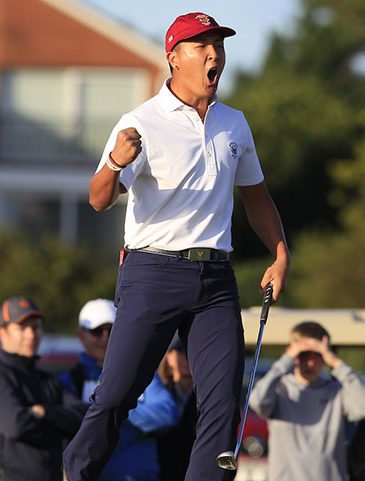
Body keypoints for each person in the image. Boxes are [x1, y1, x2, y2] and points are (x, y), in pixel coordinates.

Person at [63, 11, 290, 481]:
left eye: (219, 46)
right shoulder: (140, 122)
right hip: (153, 273)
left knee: (224, 402)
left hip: (216, 279)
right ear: (174, 58)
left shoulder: (235, 123)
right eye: (201, 46)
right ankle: (74, 473)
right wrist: (112, 162)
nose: (214, 55)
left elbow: (257, 198)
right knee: (118, 394)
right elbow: (99, 198)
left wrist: (280, 253)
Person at [58, 299, 179, 481]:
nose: (105, 338)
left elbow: (167, 413)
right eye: (97, 332)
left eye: (111, 330)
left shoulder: (141, 372)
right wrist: (137, 424)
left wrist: (107, 414)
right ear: (81, 336)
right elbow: (70, 424)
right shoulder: (70, 381)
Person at [0, 296, 87, 481]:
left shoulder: (46, 380)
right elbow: (17, 426)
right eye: (22, 328)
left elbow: (83, 417)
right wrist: (60, 431)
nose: (31, 335)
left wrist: (45, 412)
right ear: (3, 334)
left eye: (35, 327)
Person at [248, 321, 365, 480]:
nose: (310, 363)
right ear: (293, 354)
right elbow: (257, 401)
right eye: (303, 355)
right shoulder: (280, 390)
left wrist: (335, 362)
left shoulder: (336, 392)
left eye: (317, 356)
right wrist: (285, 361)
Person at [156, 337, 197, 481]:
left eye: (191, 351)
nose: (186, 357)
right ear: (169, 356)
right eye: (180, 351)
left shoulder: (209, 398)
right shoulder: (155, 393)